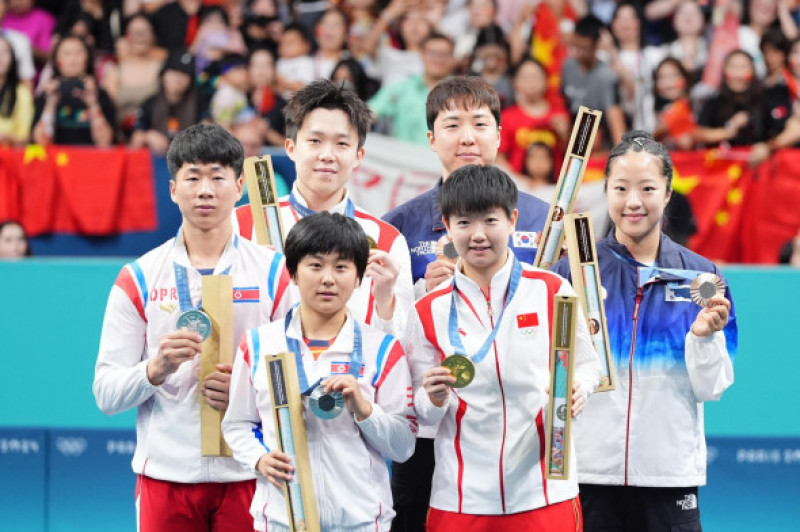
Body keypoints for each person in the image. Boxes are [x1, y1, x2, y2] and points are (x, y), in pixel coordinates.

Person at [93, 124, 295, 532]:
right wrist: (155, 369)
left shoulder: (276, 273)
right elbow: (106, 394)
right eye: (193, 177)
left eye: (218, 176)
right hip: (165, 478)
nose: (206, 190)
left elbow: (300, 376)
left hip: (250, 474)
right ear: (172, 189)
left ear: (239, 186)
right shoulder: (139, 278)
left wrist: (247, 391)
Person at [381, 76, 552, 532]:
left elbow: (570, 324)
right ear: (431, 138)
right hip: (431, 424)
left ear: (499, 134)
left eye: (480, 123)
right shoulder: (398, 225)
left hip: (519, 430)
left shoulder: (542, 220)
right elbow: (384, 332)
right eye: (453, 124)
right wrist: (424, 295)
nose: (468, 137)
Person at [551, 130, 737, 531]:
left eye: (647, 188)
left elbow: (714, 388)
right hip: (588, 472)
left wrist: (703, 337)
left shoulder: (701, 277)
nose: (633, 202)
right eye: (620, 188)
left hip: (669, 474)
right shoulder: (572, 273)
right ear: (607, 192)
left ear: (667, 193)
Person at [404, 164, 601, 531]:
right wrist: (430, 399)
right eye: (464, 223)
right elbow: (421, 415)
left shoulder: (551, 291)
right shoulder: (427, 309)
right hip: (461, 499)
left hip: (545, 492)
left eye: (490, 220)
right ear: (447, 227)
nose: (478, 235)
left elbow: (588, 365)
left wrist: (580, 388)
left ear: (512, 220)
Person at [222, 211, 417, 532]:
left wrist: (365, 410)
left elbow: (404, 446)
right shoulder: (258, 344)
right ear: (293, 273)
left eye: (341, 267)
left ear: (358, 278)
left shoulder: (382, 350)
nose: (328, 278)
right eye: (315, 265)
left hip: (362, 522)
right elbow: (237, 426)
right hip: (282, 521)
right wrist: (258, 458)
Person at [233, 79, 414, 338]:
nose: (327, 155)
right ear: (291, 148)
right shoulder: (241, 224)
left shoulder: (386, 240)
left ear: (358, 156)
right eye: (315, 141)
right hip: (266, 373)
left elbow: (402, 341)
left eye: (341, 144)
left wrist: (385, 303)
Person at [368, 32, 455, 145]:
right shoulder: (401, 89)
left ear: (453, 58)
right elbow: (368, 113)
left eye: (445, 54)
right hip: (404, 159)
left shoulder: (462, 95)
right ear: (422, 54)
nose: (438, 59)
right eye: (433, 53)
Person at [31, 34, 115, 146]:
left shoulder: (100, 95)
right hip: (58, 160)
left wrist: (93, 103)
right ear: (57, 60)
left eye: (78, 53)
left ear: (87, 58)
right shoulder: (47, 95)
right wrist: (50, 105)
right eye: (67, 53)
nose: (73, 58)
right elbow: (40, 142)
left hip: (91, 159)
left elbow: (104, 142)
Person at [131, 49, 199, 155]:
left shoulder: (199, 103)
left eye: (184, 74)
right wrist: (148, 136)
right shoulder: (150, 103)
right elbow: (135, 142)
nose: (178, 78)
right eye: (174, 71)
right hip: (155, 164)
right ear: (163, 75)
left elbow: (209, 133)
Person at [0, 34, 33, 146]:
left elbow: (24, 138)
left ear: (12, 59)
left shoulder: (22, 94)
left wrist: (4, 136)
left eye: (5, 52)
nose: (0, 57)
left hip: (10, 158)